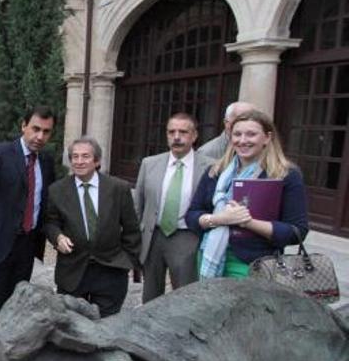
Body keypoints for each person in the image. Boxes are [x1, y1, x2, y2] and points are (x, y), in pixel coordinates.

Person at [186, 108, 309, 279]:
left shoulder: (286, 175)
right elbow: (192, 215)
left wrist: (248, 222)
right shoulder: (215, 172)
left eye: (251, 134)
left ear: (267, 137)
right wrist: (219, 219)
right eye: (237, 134)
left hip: (255, 266)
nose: (243, 140)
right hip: (208, 256)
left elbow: (297, 230)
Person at [0, 106, 56, 324]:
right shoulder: (3, 152)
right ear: (23, 126)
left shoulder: (46, 160)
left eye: (46, 131)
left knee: (18, 302)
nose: (40, 136)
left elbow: (48, 200)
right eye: (35, 129)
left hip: (27, 243)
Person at [44, 137, 141, 318]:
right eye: (75, 157)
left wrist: (127, 262)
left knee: (107, 327)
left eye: (85, 156)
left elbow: (131, 229)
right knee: (72, 326)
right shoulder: (57, 190)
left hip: (110, 272)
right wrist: (57, 237)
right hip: (72, 271)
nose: (79, 161)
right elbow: (50, 222)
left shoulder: (118, 188)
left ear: (96, 161)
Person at [135, 113, 213, 303]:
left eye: (183, 132)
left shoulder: (211, 166)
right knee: (150, 296)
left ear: (194, 136)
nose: (176, 137)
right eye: (171, 132)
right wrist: (136, 239)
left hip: (187, 236)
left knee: (185, 295)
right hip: (153, 236)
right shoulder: (149, 163)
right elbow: (139, 204)